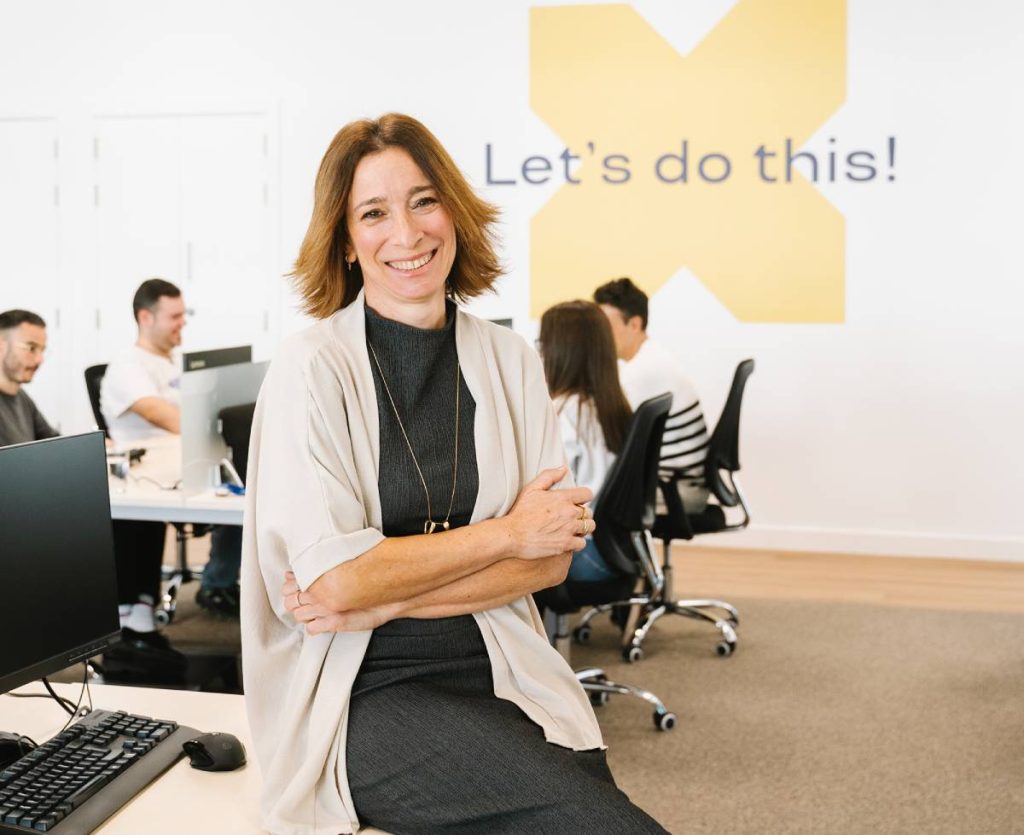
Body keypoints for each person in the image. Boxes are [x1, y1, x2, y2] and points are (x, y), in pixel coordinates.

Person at [241, 114, 666, 834]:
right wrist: (506, 535)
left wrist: (379, 598)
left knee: (590, 798)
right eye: (373, 213)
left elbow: (550, 561)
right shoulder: (311, 367)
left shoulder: (510, 360)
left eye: (424, 201)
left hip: (508, 659)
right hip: (365, 687)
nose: (406, 234)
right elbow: (334, 586)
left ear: (455, 212)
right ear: (344, 240)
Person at [101, 278, 242, 618]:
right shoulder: (128, 366)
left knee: (246, 487)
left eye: (184, 315)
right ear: (146, 317)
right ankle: (212, 585)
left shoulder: (178, 360)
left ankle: (219, 581)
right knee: (240, 492)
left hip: (186, 462)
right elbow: (167, 418)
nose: (183, 323)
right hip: (146, 478)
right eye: (175, 316)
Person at [595, 276, 711, 512]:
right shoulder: (652, 357)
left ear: (634, 324)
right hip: (677, 483)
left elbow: (613, 440)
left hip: (674, 490)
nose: (600, 334)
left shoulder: (642, 372)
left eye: (606, 325)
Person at [538, 300, 633, 582]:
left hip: (589, 554)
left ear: (559, 351)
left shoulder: (564, 413)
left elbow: (549, 501)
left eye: (542, 344)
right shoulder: (613, 403)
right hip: (621, 549)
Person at [0, 309, 58, 446]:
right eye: (31, 348)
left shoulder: (22, 397)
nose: (39, 360)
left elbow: (53, 442)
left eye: (42, 351)